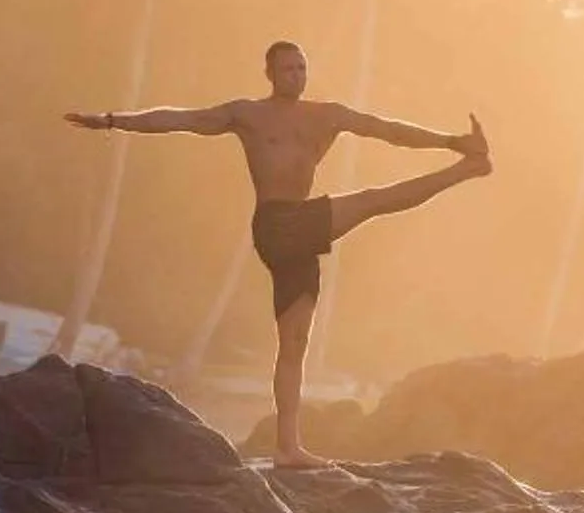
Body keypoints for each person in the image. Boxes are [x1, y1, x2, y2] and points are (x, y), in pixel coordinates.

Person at [65, 38, 492, 467]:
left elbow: (389, 131)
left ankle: (288, 447)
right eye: (288, 69)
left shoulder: (327, 116)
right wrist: (110, 120)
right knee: (373, 201)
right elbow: (181, 119)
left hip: (302, 233)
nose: (296, 76)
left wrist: (452, 139)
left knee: (294, 344)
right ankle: (468, 170)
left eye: (302, 68)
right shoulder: (247, 114)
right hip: (276, 225)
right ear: (269, 74)